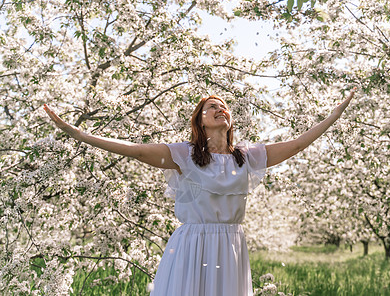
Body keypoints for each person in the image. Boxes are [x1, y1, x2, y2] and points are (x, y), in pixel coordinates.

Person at [43, 89, 355, 295]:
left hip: (230, 243)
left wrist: (332, 117)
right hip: (193, 242)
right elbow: (136, 151)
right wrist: (79, 134)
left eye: (224, 107)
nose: (220, 109)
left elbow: (298, 144)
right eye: (212, 107)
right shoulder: (184, 154)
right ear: (200, 121)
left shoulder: (248, 156)